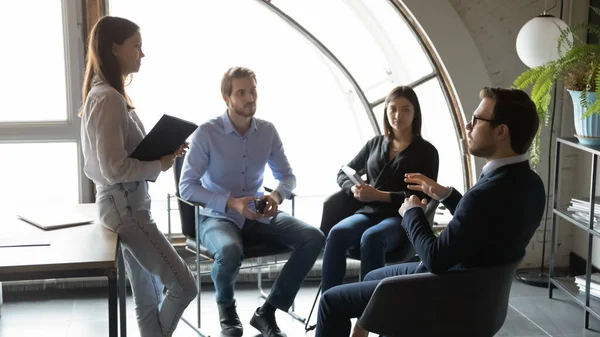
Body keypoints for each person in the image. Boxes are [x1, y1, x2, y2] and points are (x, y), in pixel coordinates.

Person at [315, 87, 546, 337]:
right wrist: (448, 195)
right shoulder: (531, 184)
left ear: (502, 132)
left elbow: (435, 258)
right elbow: (484, 224)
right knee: (371, 274)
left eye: (477, 120)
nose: (468, 126)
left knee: (331, 301)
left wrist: (412, 212)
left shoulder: (483, 192)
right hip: (478, 294)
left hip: (441, 291)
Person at [179, 66, 325, 337]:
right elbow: (186, 187)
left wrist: (275, 195)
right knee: (230, 251)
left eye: (253, 91)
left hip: (258, 214)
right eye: (241, 93)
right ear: (226, 98)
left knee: (314, 238)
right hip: (217, 217)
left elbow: (287, 177)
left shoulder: (267, 131)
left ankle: (267, 311)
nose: (250, 98)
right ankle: (227, 309)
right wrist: (231, 203)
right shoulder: (207, 133)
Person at [79, 16, 197, 337]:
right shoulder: (107, 99)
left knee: (147, 296)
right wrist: (158, 163)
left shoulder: (111, 96)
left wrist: (165, 155)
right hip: (125, 210)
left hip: (128, 206)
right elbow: (113, 168)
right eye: (137, 46)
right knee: (184, 286)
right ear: (114, 48)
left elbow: (123, 159)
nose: (142, 54)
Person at [321, 86, 439, 292]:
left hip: (401, 218)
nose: (397, 115)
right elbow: (343, 173)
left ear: (415, 113)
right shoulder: (374, 144)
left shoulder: (427, 152)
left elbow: (423, 196)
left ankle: (368, 310)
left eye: (405, 109)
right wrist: (354, 190)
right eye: (392, 109)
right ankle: (330, 302)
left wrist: (379, 195)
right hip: (368, 213)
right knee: (337, 232)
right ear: (385, 111)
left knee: (372, 237)